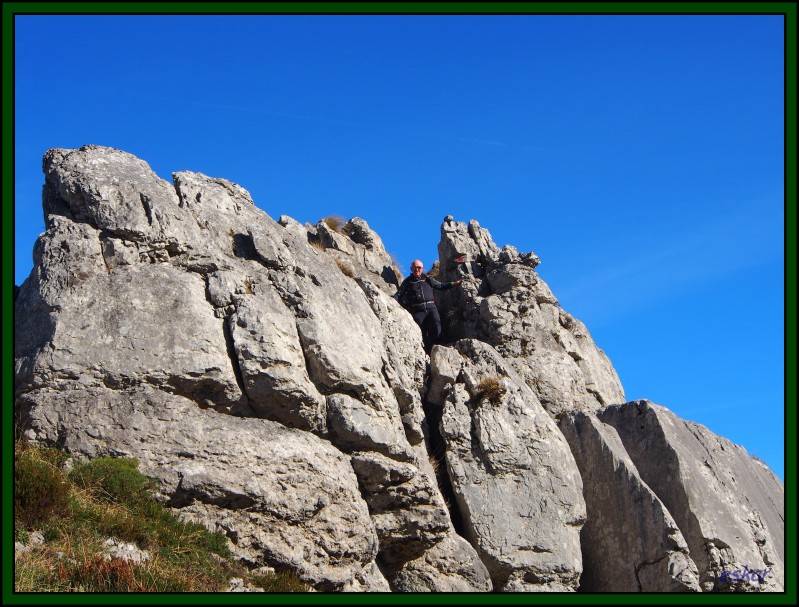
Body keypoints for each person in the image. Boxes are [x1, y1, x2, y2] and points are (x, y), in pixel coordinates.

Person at [394, 259, 462, 353]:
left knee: (437, 327)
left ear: (422, 268)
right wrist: (391, 300)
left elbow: (440, 286)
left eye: (419, 267)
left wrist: (454, 284)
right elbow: (399, 294)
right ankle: (427, 353)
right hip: (418, 311)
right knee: (422, 333)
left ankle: (438, 351)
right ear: (411, 268)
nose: (417, 269)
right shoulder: (407, 282)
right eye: (414, 268)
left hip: (431, 308)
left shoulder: (427, 278)